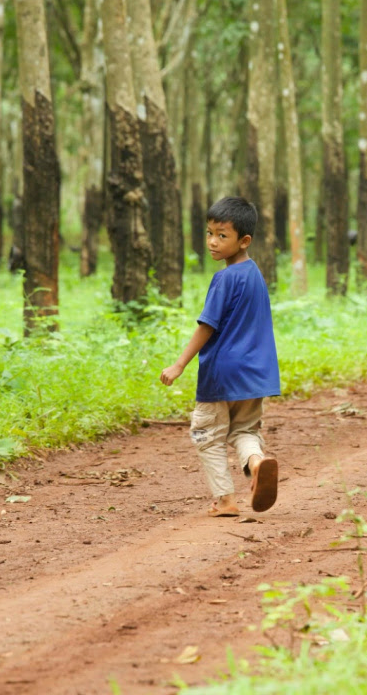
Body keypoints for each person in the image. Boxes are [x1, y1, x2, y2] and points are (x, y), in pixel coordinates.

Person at [160, 197, 280, 517]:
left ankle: (225, 500)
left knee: (207, 435)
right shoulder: (255, 275)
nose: (213, 241)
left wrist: (179, 364)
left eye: (222, 235)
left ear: (244, 241)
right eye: (210, 232)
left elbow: (206, 327)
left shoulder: (224, 279)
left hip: (221, 372)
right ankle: (256, 462)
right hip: (256, 374)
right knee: (244, 431)